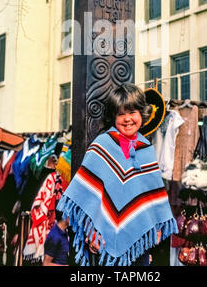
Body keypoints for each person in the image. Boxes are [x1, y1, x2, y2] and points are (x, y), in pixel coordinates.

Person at [57, 83, 178, 266]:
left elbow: (151, 195)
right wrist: (92, 232)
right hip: (104, 243)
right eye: (121, 114)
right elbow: (86, 195)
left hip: (138, 246)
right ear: (113, 117)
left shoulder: (145, 148)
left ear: (142, 114)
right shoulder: (102, 145)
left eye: (132, 112)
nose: (127, 119)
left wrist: (155, 226)